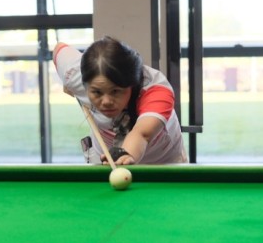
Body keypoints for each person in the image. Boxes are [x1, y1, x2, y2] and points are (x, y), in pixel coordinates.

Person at [53, 36, 186, 165]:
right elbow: (59, 48)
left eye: (115, 91)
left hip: (162, 162)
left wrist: (123, 155)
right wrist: (67, 84)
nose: (106, 101)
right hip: (105, 157)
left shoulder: (155, 90)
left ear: (131, 84)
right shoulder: (74, 75)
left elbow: (142, 134)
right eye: (97, 92)